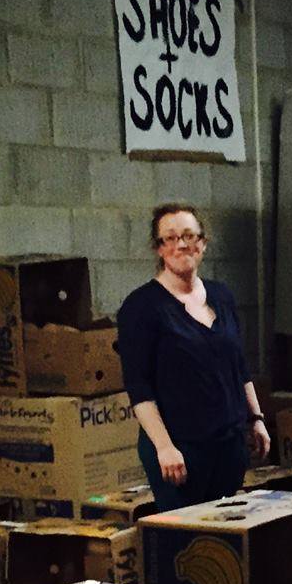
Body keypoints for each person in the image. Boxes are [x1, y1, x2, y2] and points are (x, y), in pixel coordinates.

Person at [117, 202, 270, 509]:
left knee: (225, 541)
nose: (181, 244)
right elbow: (139, 389)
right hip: (180, 452)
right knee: (186, 546)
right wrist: (164, 448)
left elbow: (239, 367)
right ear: (158, 248)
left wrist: (256, 419)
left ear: (203, 242)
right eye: (170, 238)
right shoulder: (141, 307)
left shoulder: (222, 295)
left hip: (228, 446)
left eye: (189, 235)